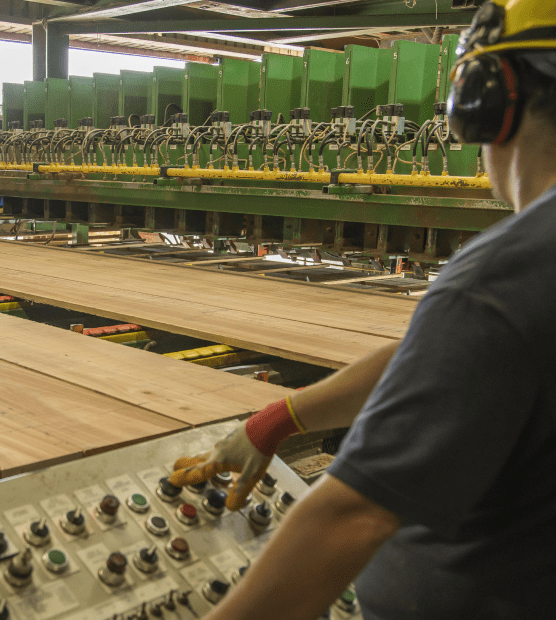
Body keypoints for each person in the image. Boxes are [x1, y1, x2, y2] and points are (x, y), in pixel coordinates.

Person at [168, 2, 556, 618]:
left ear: (489, 102)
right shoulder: (507, 294)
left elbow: (351, 518)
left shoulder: (505, 275)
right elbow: (442, 363)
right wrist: (276, 420)